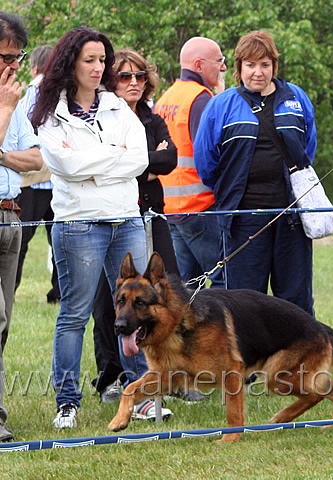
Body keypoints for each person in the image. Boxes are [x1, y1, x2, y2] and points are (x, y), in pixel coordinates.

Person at [31, 27, 170, 428]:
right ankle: (67, 403)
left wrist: (97, 165)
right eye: (89, 60)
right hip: (78, 225)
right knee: (74, 314)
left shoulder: (117, 106)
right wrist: (113, 160)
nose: (98, 68)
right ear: (69, 62)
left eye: (102, 60)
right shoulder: (49, 111)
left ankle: (139, 394)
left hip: (126, 219)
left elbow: (140, 159)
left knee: (139, 309)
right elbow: (67, 167)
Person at [194, 31, 317, 316]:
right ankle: (250, 361)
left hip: (291, 219)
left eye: (264, 64)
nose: (258, 72)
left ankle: (298, 360)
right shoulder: (220, 106)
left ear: (274, 65)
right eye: (250, 65)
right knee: (244, 305)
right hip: (243, 221)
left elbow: (308, 150)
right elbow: (206, 164)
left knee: (295, 302)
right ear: (238, 68)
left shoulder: (296, 98)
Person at [90, 49, 180, 404]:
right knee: (108, 303)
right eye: (125, 77)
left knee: (166, 294)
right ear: (111, 80)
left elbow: (169, 159)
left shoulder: (152, 118)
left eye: (140, 77)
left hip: (153, 217)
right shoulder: (100, 117)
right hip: (112, 218)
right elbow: (105, 165)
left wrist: (131, 161)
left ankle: (168, 376)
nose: (134, 83)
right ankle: (111, 377)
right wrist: (142, 163)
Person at [0, 12, 43, 442]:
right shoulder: (10, 102)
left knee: (6, 322)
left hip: (12, 216)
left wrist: (5, 156)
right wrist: (7, 109)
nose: (14, 66)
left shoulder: (15, 101)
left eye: (19, 57)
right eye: (7, 57)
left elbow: (37, 160)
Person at [154, 37, 225, 287]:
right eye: (219, 61)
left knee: (185, 289)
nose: (223, 67)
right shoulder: (201, 98)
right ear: (198, 64)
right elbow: (212, 154)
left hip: (172, 209)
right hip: (201, 208)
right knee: (223, 282)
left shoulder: (165, 99)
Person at [15, 45, 59, 304]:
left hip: (33, 180)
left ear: (34, 67)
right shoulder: (57, 89)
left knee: (20, 243)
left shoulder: (34, 89)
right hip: (54, 179)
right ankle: (58, 293)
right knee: (59, 243)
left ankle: (9, 291)